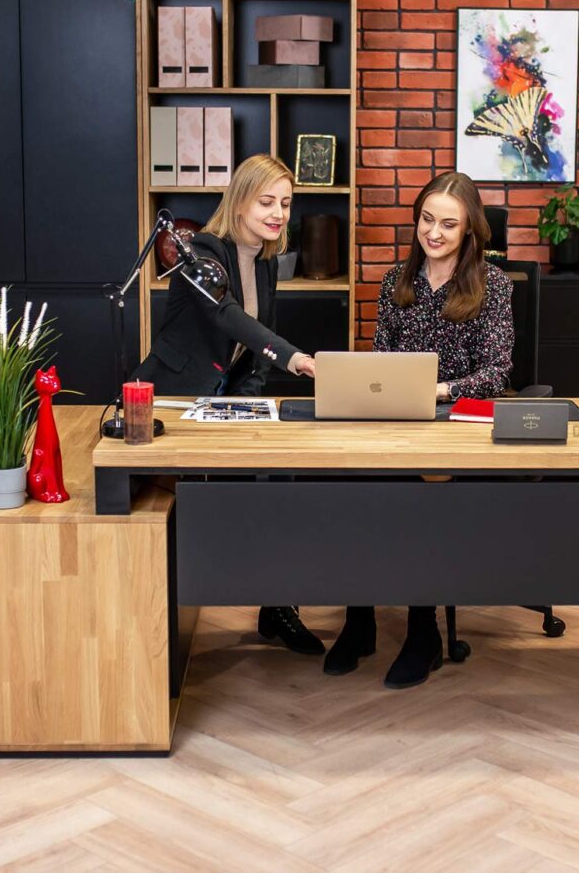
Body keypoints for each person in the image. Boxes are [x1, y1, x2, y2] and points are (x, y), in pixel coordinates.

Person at [323, 171, 513, 688]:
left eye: (448, 224)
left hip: (454, 421)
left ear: (470, 230)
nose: (434, 232)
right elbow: (383, 361)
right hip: (396, 417)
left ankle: (421, 630)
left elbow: (497, 372)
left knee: (419, 495)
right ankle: (358, 620)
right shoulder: (395, 282)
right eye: (427, 220)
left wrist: (437, 391)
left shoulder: (491, 285)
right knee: (352, 483)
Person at [136, 153, 324, 657]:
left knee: (280, 482)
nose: (278, 213)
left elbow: (253, 351)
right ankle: (162, 614)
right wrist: (296, 360)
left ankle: (278, 605)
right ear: (239, 200)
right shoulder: (201, 251)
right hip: (172, 402)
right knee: (193, 508)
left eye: (285, 203)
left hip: (224, 405)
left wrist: (255, 401)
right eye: (267, 201)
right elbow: (229, 318)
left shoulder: (265, 262)